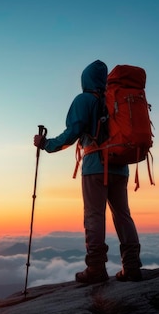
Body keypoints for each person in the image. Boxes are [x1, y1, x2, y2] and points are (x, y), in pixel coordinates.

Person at [33, 60, 142, 284]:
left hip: (95, 167)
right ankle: (131, 266)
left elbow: (71, 134)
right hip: (120, 165)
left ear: (85, 79)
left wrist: (46, 144)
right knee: (123, 215)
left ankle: (96, 269)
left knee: (94, 215)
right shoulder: (113, 99)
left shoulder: (84, 100)